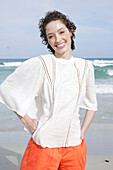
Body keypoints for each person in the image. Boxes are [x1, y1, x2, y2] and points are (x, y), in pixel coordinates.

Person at [0, 10, 97, 170]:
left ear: (71, 30)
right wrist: (27, 121)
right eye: (51, 36)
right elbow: (7, 90)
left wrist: (82, 132)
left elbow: (92, 105)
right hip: (44, 146)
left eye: (61, 32)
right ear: (47, 40)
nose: (58, 39)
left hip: (75, 148)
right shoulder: (41, 63)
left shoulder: (85, 67)